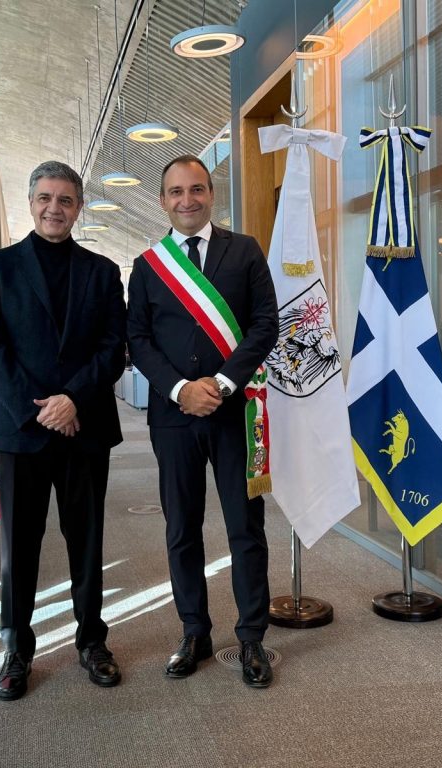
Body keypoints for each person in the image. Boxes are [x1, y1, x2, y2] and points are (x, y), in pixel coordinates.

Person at [0, 160, 126, 701]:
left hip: (85, 426)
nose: (54, 208)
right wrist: (39, 408)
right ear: (30, 202)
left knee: (87, 540)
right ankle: (17, 650)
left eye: (65, 199)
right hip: (21, 431)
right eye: (45, 198)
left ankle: (92, 641)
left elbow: (113, 348)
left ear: (78, 207)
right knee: (19, 546)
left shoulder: (103, 272)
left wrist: (73, 398)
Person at [127, 155, 279, 688]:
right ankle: (194, 631)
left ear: (212, 194)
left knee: (246, 527)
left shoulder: (245, 250)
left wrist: (222, 384)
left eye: (196, 189)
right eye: (175, 192)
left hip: (233, 412)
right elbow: (138, 338)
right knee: (181, 529)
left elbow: (265, 324)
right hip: (173, 418)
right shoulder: (148, 265)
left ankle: (252, 636)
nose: (186, 200)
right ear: (162, 201)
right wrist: (180, 390)